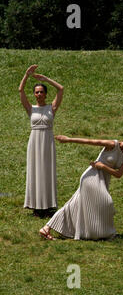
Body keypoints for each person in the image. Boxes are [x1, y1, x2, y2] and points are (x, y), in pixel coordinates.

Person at [38, 133, 123, 240]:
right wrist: (69, 139)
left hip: (103, 180)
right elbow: (91, 141)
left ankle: (46, 228)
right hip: (92, 176)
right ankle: (104, 232)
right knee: (107, 203)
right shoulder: (112, 144)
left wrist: (103, 166)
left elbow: (118, 174)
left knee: (74, 204)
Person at [19, 65, 64, 217]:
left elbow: (61, 89)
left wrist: (45, 79)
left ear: (45, 94)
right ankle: (35, 205)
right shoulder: (31, 108)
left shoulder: (52, 108)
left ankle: (47, 205)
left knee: (47, 170)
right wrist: (26, 75)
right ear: (34, 94)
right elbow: (20, 90)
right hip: (34, 140)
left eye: (41, 92)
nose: (39, 94)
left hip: (48, 140)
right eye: (37, 92)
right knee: (35, 170)